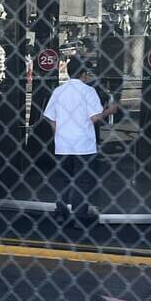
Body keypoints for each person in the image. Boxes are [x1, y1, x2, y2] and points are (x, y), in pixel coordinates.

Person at [43, 57, 118, 223]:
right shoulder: (88, 91)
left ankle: (60, 212)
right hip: (83, 144)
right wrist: (110, 111)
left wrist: (57, 135)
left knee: (64, 179)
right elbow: (95, 117)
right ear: (83, 73)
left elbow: (50, 118)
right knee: (82, 181)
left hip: (63, 143)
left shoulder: (58, 91)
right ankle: (79, 216)